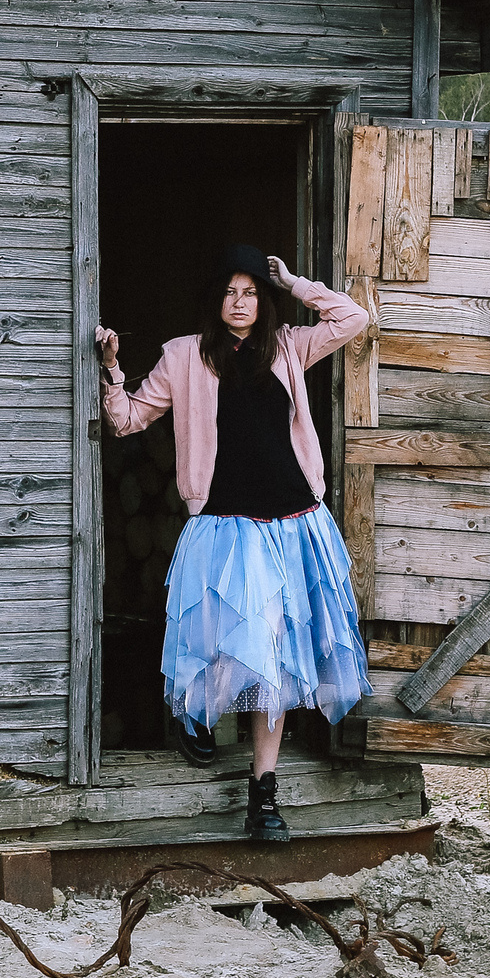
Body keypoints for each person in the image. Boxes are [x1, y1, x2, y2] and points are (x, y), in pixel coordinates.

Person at [95, 244, 373, 842]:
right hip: (225, 523)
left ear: (263, 300)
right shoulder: (184, 356)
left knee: (274, 658)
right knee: (221, 635)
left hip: (294, 521)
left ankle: (262, 796)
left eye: (250, 293)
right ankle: (197, 711)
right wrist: (113, 370)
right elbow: (125, 420)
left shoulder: (289, 347)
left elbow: (352, 318)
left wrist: (294, 283)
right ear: (214, 301)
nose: (239, 303)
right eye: (229, 292)